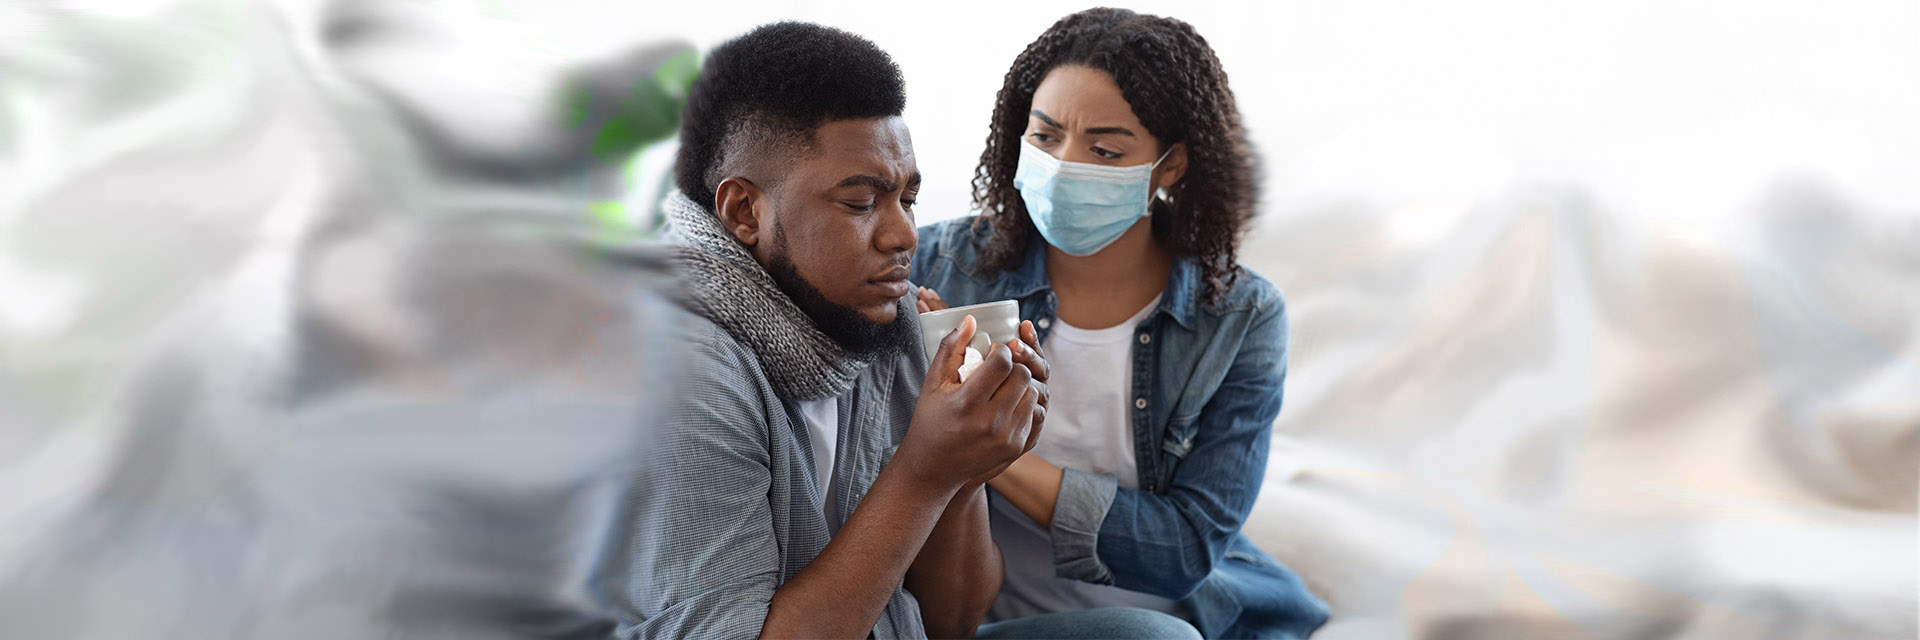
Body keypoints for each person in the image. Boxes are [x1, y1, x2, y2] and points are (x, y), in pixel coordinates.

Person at [604, 22, 1197, 639]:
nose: (904, 236)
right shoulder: (684, 371)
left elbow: (952, 621)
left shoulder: (881, 317)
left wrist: (969, 468)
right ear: (744, 211)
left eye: (907, 200)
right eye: (861, 203)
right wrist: (923, 472)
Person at [911, 8, 1331, 639]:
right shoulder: (935, 266)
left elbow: (1184, 552)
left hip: (1168, 620)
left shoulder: (1240, 319)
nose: (1065, 165)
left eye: (1104, 150)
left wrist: (987, 447)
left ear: (1170, 166)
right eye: (1045, 137)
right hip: (971, 614)